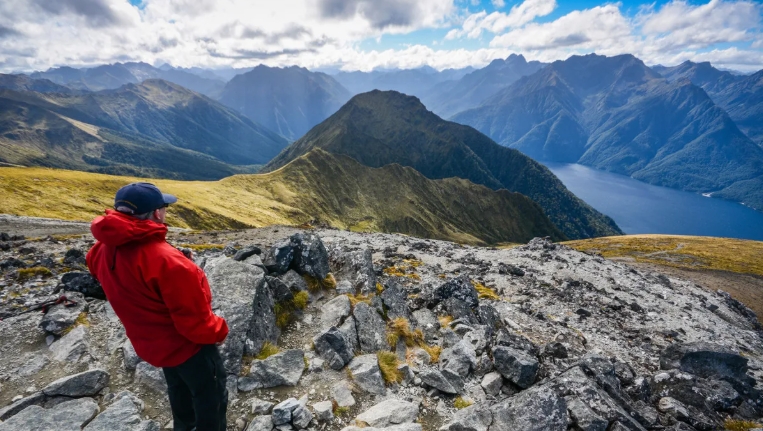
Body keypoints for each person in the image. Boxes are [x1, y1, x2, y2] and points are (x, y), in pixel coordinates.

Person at [86, 182, 229, 431]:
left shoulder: (100, 249)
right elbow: (195, 324)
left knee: (178, 389)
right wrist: (220, 331)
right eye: (163, 207)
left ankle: (184, 427)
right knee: (210, 397)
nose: (165, 212)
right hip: (189, 348)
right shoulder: (170, 263)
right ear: (156, 214)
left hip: (151, 342)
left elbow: (124, 275)